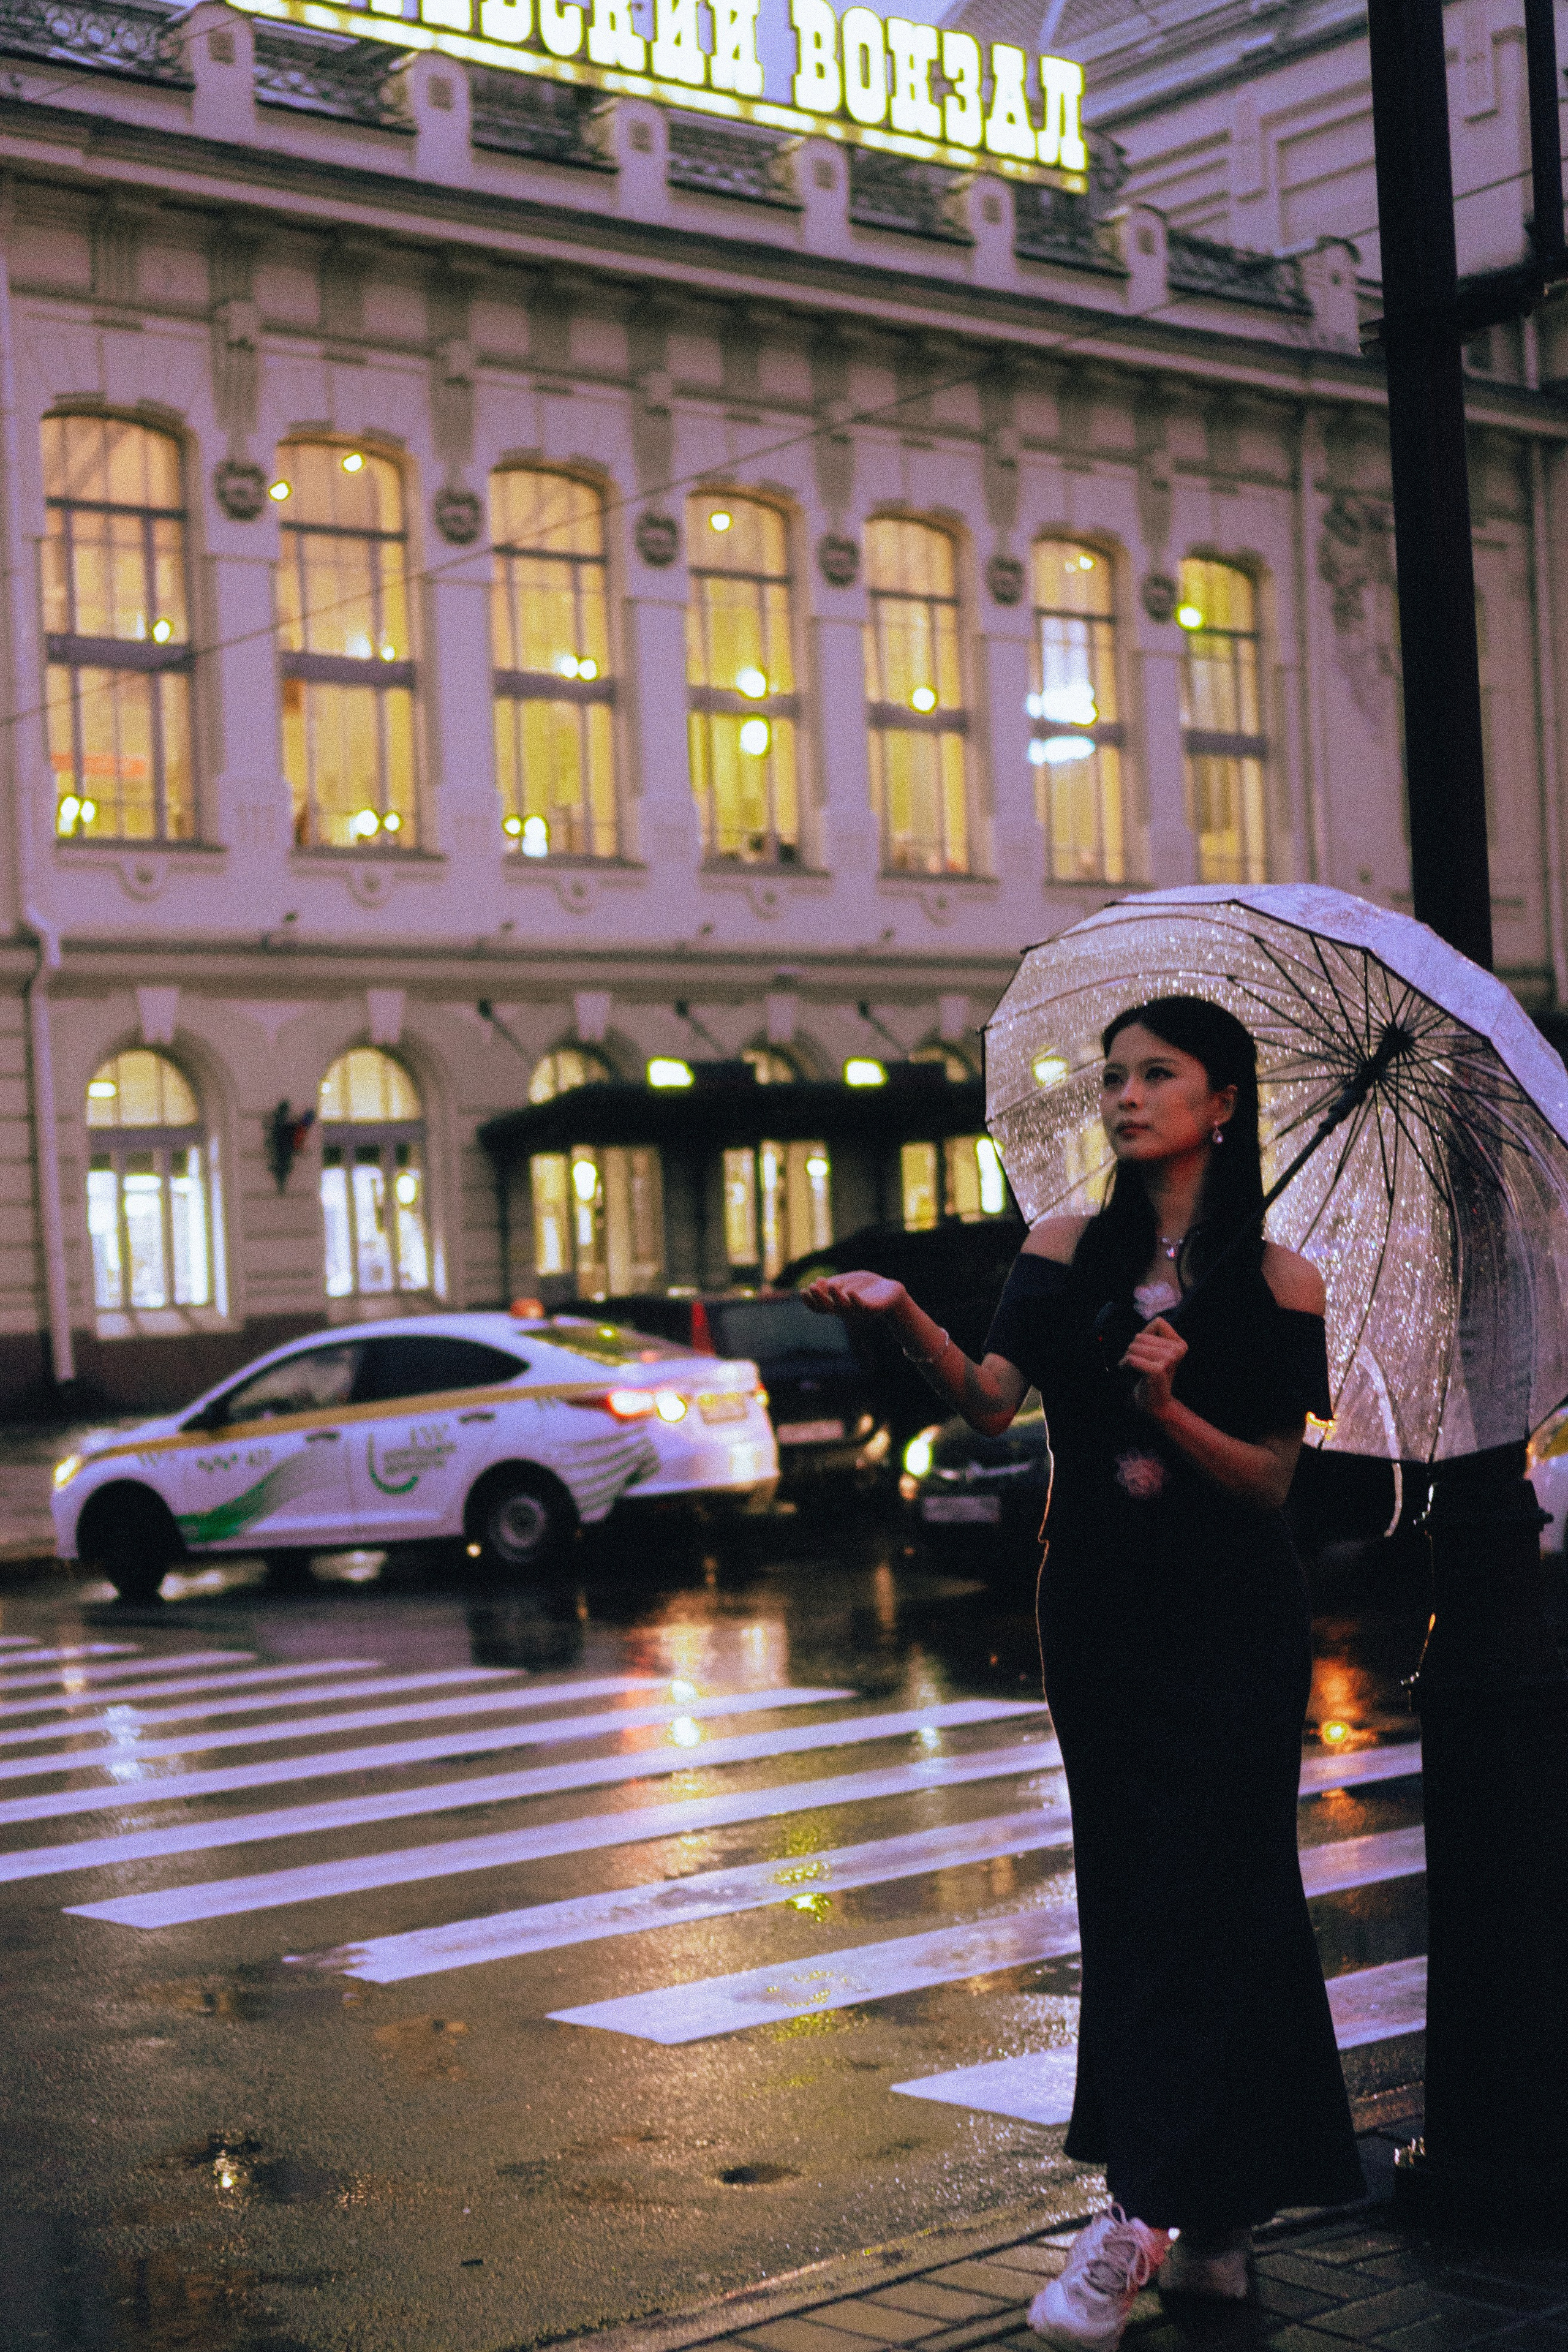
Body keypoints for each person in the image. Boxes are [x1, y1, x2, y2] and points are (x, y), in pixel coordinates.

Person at [804, 997, 1363, 2351]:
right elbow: (991, 1400)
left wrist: (1171, 1406)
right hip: (1101, 1611)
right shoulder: (1063, 1245)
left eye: (1153, 1075)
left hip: (1230, 1618)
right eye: (1110, 1075)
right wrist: (900, 1317)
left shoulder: (1280, 1282)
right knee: (1134, 1893)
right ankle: (1198, 2226)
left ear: (1221, 1101)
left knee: (1222, 1895)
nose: (1120, 1096)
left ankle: (1158, 2216)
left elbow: (1271, 1486)